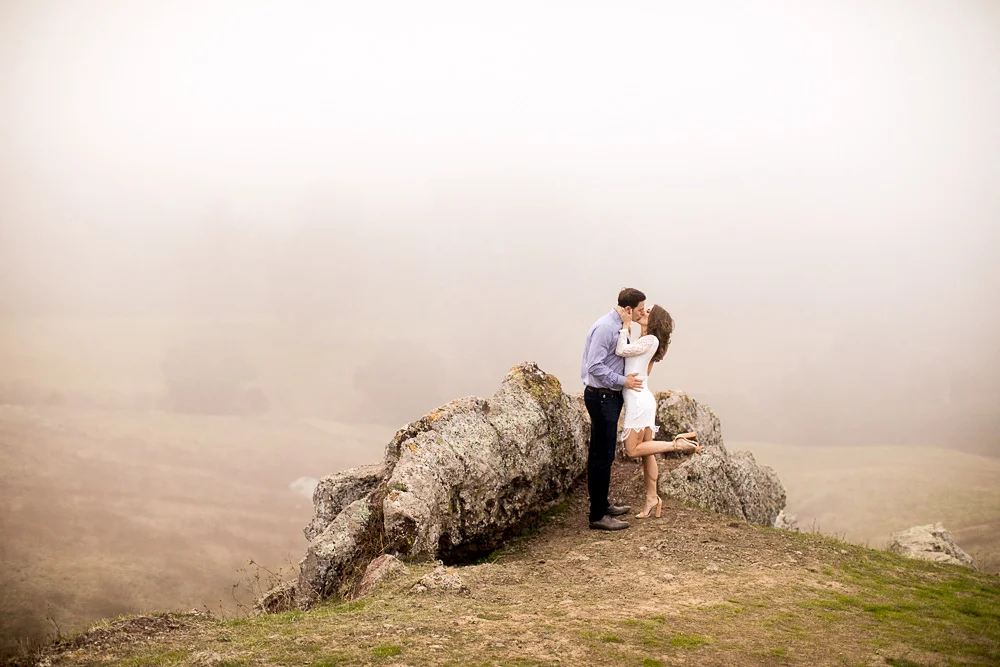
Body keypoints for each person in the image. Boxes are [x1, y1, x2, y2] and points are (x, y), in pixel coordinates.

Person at [615, 303, 699, 520]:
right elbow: (640, 367)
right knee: (647, 453)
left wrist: (625, 325)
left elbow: (621, 351)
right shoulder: (648, 342)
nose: (643, 312)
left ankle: (675, 443)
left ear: (655, 321)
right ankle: (652, 498)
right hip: (642, 398)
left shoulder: (650, 340)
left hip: (638, 401)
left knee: (633, 450)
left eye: (649, 311)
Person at [580, 288, 647, 531]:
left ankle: (602, 505)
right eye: (640, 309)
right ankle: (598, 515)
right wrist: (623, 382)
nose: (642, 312)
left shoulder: (620, 325)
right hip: (602, 397)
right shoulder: (606, 328)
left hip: (608, 396)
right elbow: (594, 367)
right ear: (628, 310)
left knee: (600, 454)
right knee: (603, 456)